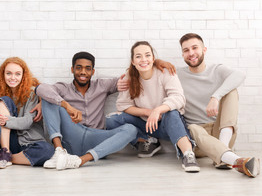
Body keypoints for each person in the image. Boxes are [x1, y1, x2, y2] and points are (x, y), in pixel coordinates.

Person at [36, 51, 175, 170]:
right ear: (72, 69)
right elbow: (41, 88)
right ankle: (59, 152)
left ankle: (80, 161)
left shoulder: (102, 85)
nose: (83, 72)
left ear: (93, 71)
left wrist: (155, 62)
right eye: (78, 68)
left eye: (87, 68)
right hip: (72, 134)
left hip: (96, 138)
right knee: (48, 99)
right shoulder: (63, 88)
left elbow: (135, 74)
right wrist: (67, 106)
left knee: (130, 129)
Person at [106, 41, 200, 173]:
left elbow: (178, 98)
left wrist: (157, 110)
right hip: (144, 124)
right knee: (111, 119)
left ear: (153, 59)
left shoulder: (165, 72)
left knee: (172, 112)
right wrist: (147, 112)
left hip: (166, 123)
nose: (143, 59)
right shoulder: (129, 77)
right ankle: (147, 140)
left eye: (147, 55)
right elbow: (123, 105)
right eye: (138, 56)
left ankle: (188, 155)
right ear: (133, 61)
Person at [175, 33, 259, 177]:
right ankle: (234, 160)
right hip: (198, 141)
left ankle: (223, 151)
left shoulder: (216, 70)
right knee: (192, 127)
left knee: (231, 90)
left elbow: (240, 75)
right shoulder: (177, 74)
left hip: (220, 132)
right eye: (186, 50)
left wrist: (216, 97)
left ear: (204, 50)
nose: (191, 53)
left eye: (195, 48)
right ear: (182, 54)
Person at [0, 57, 54, 168]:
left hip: (31, 142)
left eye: (17, 74)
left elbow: (27, 122)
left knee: (47, 150)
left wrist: (6, 120)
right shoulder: (0, 93)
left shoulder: (32, 93)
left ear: (23, 76)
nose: (13, 78)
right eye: (9, 73)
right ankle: (5, 151)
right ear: (3, 75)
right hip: (11, 142)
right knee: (5, 99)